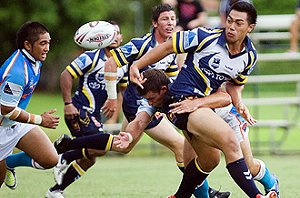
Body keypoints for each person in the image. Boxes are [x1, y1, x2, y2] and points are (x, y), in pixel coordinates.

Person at [127, 2, 278, 198]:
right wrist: (137, 65)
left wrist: (238, 103)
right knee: (230, 142)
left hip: (200, 106)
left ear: (250, 27)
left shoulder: (249, 56)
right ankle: (257, 196)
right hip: (182, 101)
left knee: (209, 161)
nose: (231, 27)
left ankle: (179, 196)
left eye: (238, 23)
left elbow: (233, 85)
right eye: (229, 20)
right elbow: (167, 47)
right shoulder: (205, 36)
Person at [104, 4, 230, 198]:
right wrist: (113, 99)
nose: (170, 23)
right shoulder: (142, 44)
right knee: (180, 145)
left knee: (125, 145)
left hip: (152, 104)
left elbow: (170, 81)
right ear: (155, 23)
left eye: (173, 19)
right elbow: (111, 62)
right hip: (138, 104)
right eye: (165, 19)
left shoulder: (172, 48)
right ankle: (204, 193)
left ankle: (76, 146)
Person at [0, 21, 60, 189]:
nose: (47, 47)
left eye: (48, 42)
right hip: (3, 124)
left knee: (50, 159)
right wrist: (40, 120)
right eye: (43, 43)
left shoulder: (35, 61)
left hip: (14, 122)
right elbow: (6, 110)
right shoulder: (17, 72)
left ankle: (9, 162)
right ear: (27, 45)